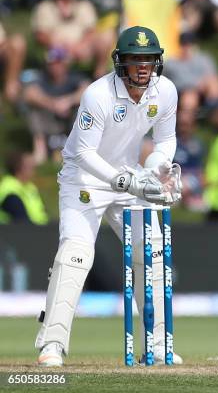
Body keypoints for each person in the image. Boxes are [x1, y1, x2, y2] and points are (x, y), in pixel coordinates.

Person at [35, 26, 183, 367]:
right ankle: (52, 344)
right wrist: (127, 182)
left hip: (129, 174)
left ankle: (158, 344)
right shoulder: (97, 95)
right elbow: (85, 153)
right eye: (135, 60)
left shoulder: (166, 91)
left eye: (148, 59)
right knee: (76, 254)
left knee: (153, 255)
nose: (143, 67)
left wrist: (158, 169)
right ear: (121, 63)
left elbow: (165, 141)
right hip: (84, 180)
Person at [23, 48, 89, 165]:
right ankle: (40, 152)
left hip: (70, 119)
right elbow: (29, 94)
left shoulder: (74, 77)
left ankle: (79, 150)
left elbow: (87, 90)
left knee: (83, 109)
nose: (54, 67)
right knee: (33, 111)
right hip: (49, 119)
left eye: (58, 63)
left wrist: (68, 102)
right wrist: (52, 104)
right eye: (51, 64)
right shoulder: (42, 78)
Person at [0, 152, 49, 225]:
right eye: (30, 166)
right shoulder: (9, 188)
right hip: (19, 234)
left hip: (39, 232)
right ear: (19, 167)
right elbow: (22, 220)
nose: (34, 169)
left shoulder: (31, 187)